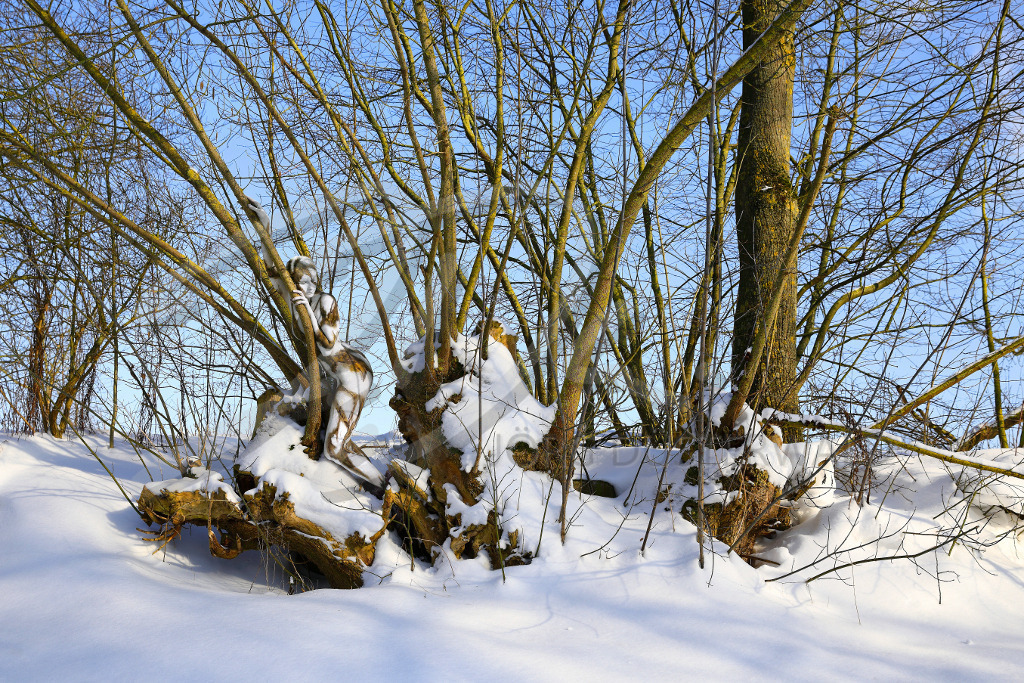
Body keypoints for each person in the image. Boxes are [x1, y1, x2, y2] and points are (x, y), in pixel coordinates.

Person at [245, 198, 378, 485]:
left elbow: (329, 346)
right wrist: (264, 229)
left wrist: (310, 312)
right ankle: (370, 484)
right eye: (300, 281)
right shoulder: (294, 298)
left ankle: (382, 488)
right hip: (332, 378)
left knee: (333, 449)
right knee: (336, 441)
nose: (307, 287)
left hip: (352, 374)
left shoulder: (323, 301)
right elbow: (273, 270)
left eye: (312, 281)